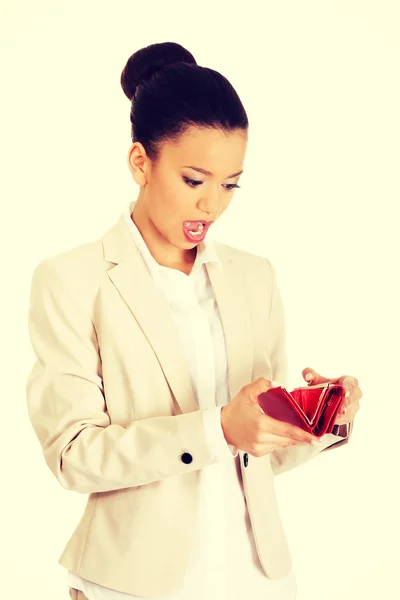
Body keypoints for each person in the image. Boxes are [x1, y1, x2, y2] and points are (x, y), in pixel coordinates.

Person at [26, 41, 362, 600]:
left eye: (230, 184)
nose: (213, 205)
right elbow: (74, 456)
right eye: (194, 180)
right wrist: (218, 429)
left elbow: (261, 452)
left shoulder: (255, 277)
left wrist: (319, 418)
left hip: (257, 580)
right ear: (141, 162)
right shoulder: (71, 280)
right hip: (130, 585)